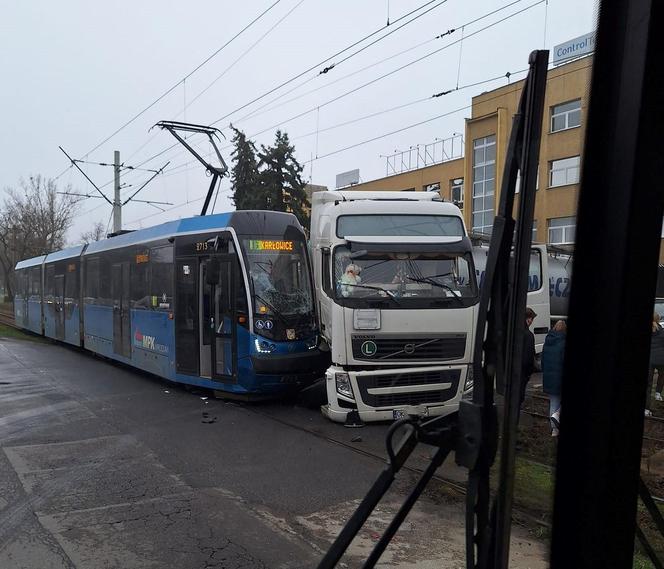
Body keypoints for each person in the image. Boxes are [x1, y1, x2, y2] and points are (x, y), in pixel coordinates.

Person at [542, 320, 567, 436]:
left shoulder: (547, 342)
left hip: (549, 378)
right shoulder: (563, 343)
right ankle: (556, 421)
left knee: (554, 402)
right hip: (559, 378)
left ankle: (554, 430)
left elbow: (542, 361)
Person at [646, 313, 664, 416]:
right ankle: (658, 393)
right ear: (658, 319)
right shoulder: (662, 331)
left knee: (648, 385)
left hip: (650, 361)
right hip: (661, 360)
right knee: (662, 376)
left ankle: (646, 409)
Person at [519, 306, 537, 407]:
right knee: (520, 396)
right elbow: (528, 356)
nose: (532, 321)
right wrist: (530, 371)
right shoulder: (528, 335)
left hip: (513, 370)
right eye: (532, 319)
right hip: (523, 372)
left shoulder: (514, 332)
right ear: (528, 319)